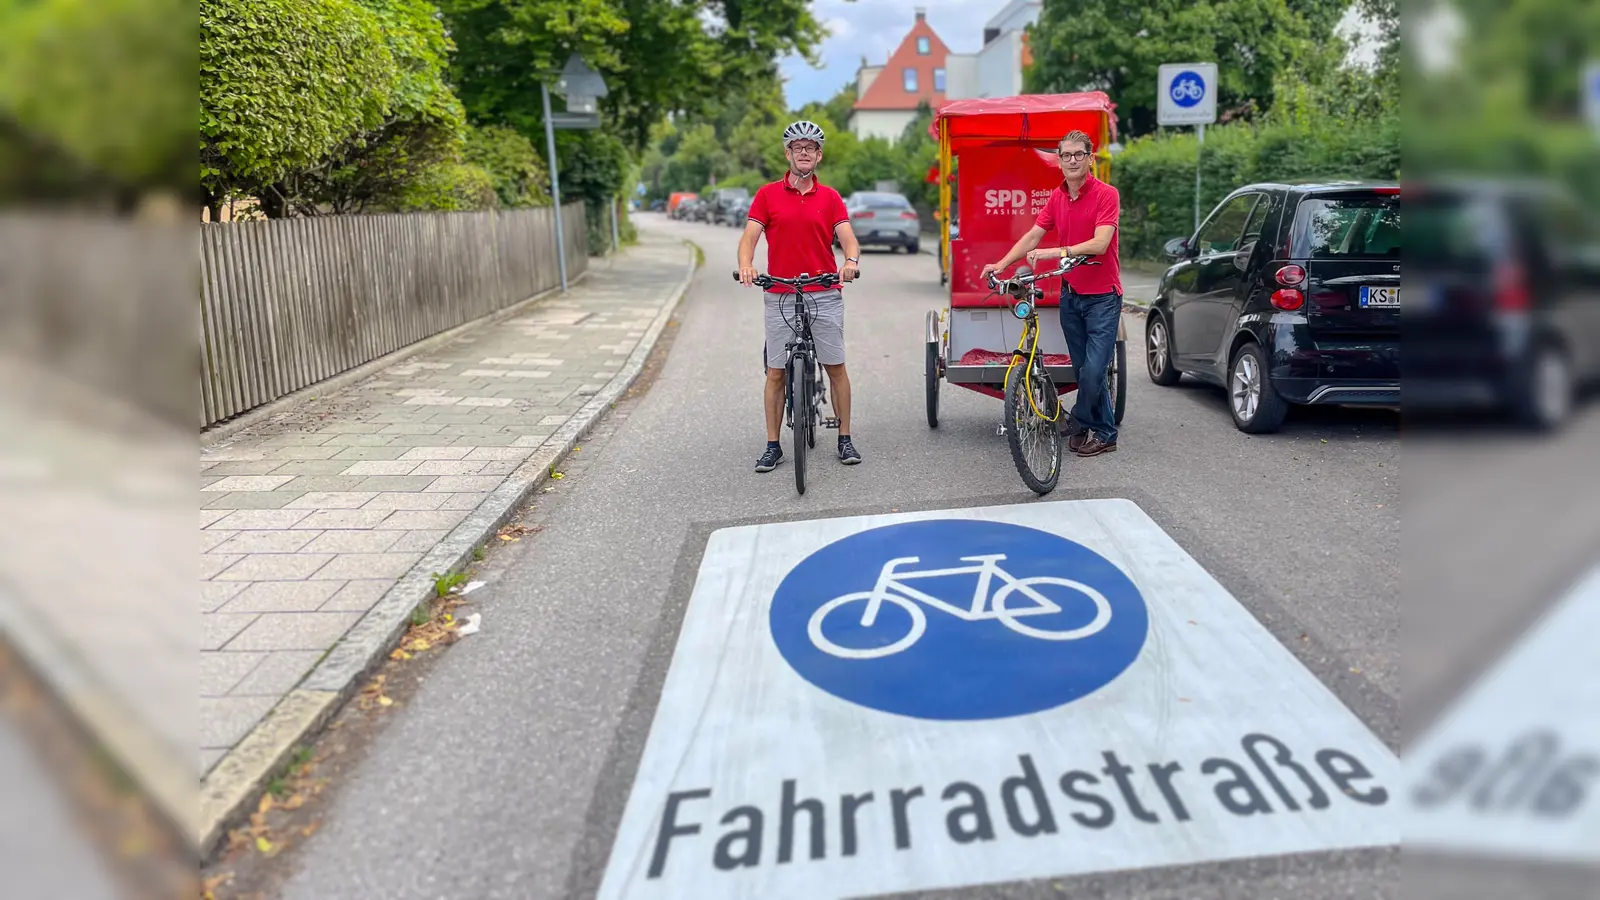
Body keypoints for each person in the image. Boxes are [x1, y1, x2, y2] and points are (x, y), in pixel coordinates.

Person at [982, 130, 1123, 457]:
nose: (1072, 160)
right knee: (1083, 369)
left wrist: (1056, 252)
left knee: (1093, 370)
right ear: (1059, 161)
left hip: (1103, 297)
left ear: (1090, 158)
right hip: (1072, 296)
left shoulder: (1106, 195)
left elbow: (1101, 243)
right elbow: (1032, 237)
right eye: (1066, 155)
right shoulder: (1058, 198)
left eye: (1079, 154)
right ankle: (1097, 429)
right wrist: (1001, 264)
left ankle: (1084, 424)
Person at [737, 120, 863, 473]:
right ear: (788, 154)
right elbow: (749, 238)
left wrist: (850, 261)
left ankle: (844, 437)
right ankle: (773, 445)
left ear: (818, 156)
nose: (804, 153)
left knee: (835, 366)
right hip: (779, 290)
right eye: (798, 147)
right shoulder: (767, 195)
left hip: (823, 291)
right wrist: (746, 265)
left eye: (810, 148)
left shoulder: (831, 197)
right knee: (776, 372)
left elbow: (848, 238)